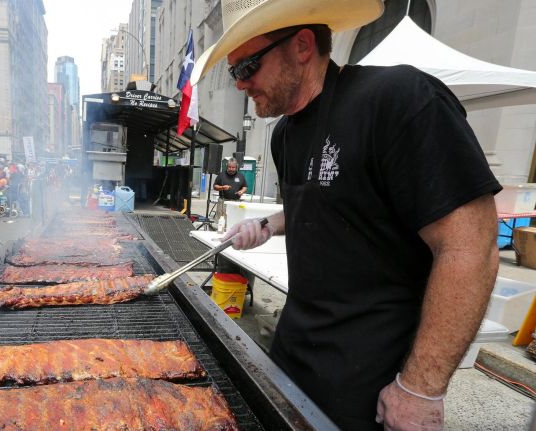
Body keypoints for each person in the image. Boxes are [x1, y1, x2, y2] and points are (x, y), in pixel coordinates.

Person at [191, 1, 501, 429]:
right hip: (292, 352)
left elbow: (471, 246)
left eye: (247, 67)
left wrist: (420, 388)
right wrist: (266, 225)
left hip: (373, 379)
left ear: (302, 45)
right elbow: (324, 201)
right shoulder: (284, 135)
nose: (241, 84)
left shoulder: (398, 99)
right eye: (234, 73)